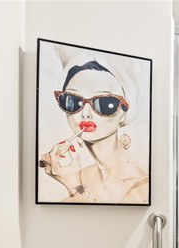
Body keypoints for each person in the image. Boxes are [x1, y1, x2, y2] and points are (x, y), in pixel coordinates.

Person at [40, 57, 148, 204]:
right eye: (73, 101)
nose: (86, 113)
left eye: (105, 103)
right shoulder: (82, 175)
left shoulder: (141, 187)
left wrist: (74, 188)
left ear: (124, 113)